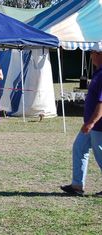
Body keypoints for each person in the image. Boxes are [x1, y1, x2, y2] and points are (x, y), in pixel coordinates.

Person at [60, 42, 102, 197]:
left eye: (93, 53)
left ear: (99, 54)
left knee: (101, 155)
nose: (91, 55)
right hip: (91, 124)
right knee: (79, 148)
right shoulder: (98, 73)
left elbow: (101, 104)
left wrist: (91, 123)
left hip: (98, 125)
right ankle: (77, 185)